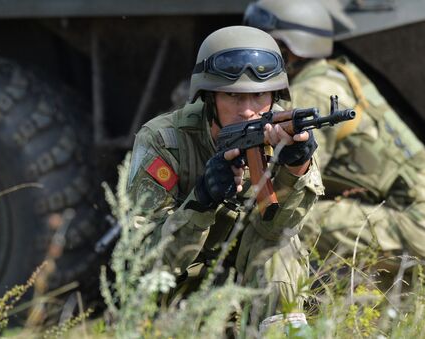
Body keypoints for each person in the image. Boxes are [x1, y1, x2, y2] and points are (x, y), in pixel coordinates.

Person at [244, 0, 425, 277]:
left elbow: (294, 185)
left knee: (278, 220)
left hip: (423, 228)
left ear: (290, 49)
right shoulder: (337, 75)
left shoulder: (312, 92)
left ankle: (280, 308)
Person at [126, 25, 323, 327]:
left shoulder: (288, 130)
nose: (247, 111)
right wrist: (201, 200)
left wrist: (296, 169)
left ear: (274, 95)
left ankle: (284, 331)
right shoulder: (164, 141)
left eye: (259, 96)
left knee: (281, 245)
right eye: (233, 96)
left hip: (255, 287)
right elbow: (143, 264)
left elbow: (278, 230)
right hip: (182, 297)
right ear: (209, 97)